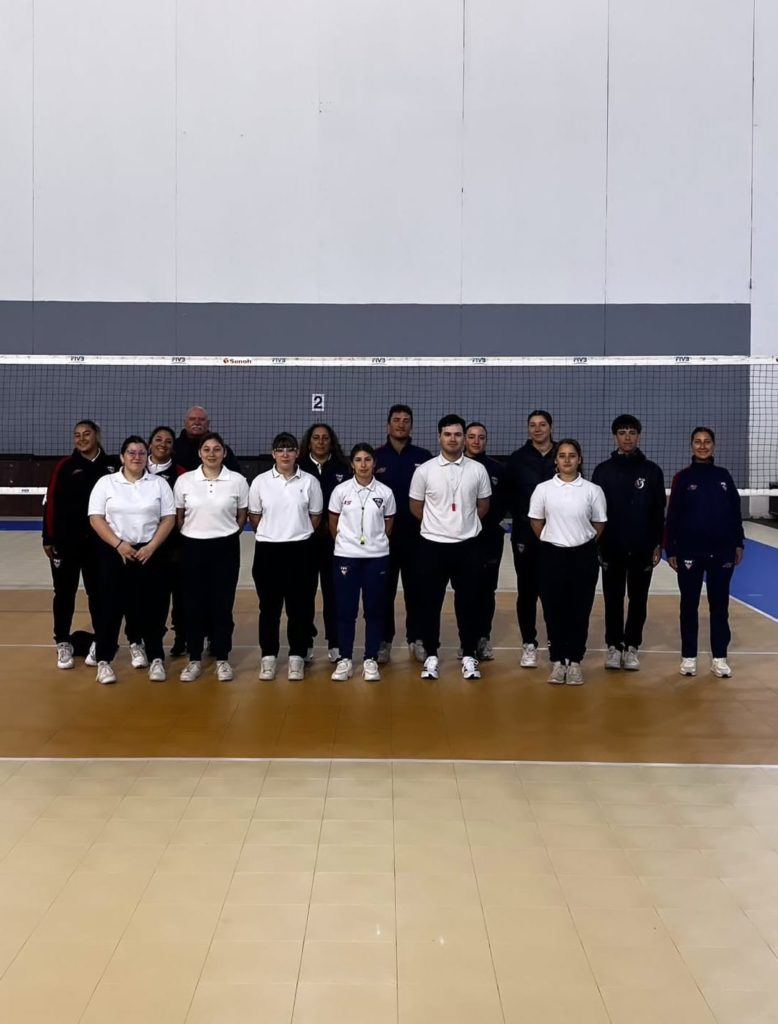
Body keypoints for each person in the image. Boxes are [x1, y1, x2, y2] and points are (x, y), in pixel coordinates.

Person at [409, 414, 491, 681]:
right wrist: (439, 526)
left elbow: (483, 506)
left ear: (464, 438)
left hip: (468, 546)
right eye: (448, 434)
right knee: (430, 603)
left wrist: (462, 525)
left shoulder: (477, 470)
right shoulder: (425, 470)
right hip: (432, 546)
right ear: (439, 437)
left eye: (457, 434)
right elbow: (416, 506)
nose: (453, 439)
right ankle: (431, 655)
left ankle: (468, 655)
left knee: (468, 603)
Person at [87, 436, 176, 684]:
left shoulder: (159, 484)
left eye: (141, 453)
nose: (136, 457)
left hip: (149, 554)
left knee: (153, 609)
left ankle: (155, 658)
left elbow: (169, 518)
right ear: (122, 457)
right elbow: (96, 518)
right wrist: (119, 545)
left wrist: (151, 547)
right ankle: (104, 662)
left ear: (147, 456)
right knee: (110, 609)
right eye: (131, 453)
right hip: (115, 553)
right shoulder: (106, 483)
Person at [664, 427, 744, 678]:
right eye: (697, 442)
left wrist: (738, 543)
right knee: (689, 605)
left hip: (722, 552)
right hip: (690, 551)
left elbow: (735, 511)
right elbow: (673, 515)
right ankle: (689, 657)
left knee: (719, 606)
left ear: (713, 446)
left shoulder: (724, 476)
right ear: (691, 446)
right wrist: (671, 548)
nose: (702, 446)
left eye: (707, 442)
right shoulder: (682, 478)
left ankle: (719, 658)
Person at [528, 439, 607, 686]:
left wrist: (581, 542)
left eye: (572, 455)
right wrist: (553, 539)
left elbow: (599, 523)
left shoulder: (593, 490)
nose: (567, 460)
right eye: (562, 455)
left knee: (580, 610)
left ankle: (574, 661)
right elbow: (536, 521)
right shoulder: (543, 489)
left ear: (579, 459)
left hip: (583, 557)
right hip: (552, 556)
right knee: (553, 609)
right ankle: (557, 661)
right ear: (556, 460)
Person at [42, 419, 118, 670]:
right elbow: (50, 502)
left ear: (97, 435)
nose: (82, 439)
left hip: (100, 545)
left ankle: (100, 641)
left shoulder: (113, 466)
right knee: (64, 593)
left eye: (86, 434)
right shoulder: (64, 466)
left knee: (99, 594)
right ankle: (63, 641)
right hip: (67, 544)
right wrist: (48, 537)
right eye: (77, 435)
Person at [592, 415, 666, 671]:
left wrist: (657, 543)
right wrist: (596, 543)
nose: (627, 437)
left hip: (642, 548)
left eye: (632, 432)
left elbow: (658, 511)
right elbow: (595, 512)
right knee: (613, 600)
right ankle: (614, 646)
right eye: (622, 432)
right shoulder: (603, 471)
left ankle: (632, 646)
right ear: (615, 436)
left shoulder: (652, 471)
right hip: (611, 547)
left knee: (638, 600)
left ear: (639, 436)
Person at [174, 433, 249, 683]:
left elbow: (241, 516)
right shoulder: (185, 481)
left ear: (224, 453)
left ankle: (222, 658)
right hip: (192, 548)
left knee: (222, 604)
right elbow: (180, 516)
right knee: (193, 604)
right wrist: (196, 533)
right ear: (199, 453)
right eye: (206, 449)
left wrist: (225, 533)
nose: (212, 453)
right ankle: (194, 658)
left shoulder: (237, 481)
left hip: (225, 548)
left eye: (217, 449)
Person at [248, 432, 323, 681]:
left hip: (301, 551)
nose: (285, 454)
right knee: (269, 608)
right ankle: (268, 657)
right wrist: (273, 534)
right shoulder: (260, 482)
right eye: (280, 450)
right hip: (268, 551)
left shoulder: (310, 482)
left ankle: (297, 657)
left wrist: (297, 533)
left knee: (299, 607)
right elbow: (255, 516)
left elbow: (315, 516)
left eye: (290, 449)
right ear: (273, 454)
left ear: (297, 453)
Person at [328, 444, 396, 681]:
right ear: (352, 464)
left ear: (374, 463)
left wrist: (374, 544)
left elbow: (388, 523)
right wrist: (347, 544)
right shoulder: (341, 491)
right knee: (346, 610)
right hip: (346, 557)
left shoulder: (385, 492)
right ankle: (345, 659)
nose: (363, 464)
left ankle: (370, 659)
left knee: (374, 610)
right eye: (358, 460)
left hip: (376, 558)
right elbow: (333, 522)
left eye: (368, 459)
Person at [374, 404, 432, 663]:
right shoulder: (376, 457)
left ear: (411, 425)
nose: (401, 424)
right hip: (382, 538)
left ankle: (417, 638)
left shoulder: (424, 457)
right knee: (383, 592)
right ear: (388, 425)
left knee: (417, 591)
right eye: (396, 420)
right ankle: (383, 640)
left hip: (417, 538)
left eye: (406, 420)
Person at [503, 411, 556, 669]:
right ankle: (529, 643)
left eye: (542, 425)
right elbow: (508, 495)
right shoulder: (517, 459)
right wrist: (524, 520)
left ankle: (556, 642)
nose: (537, 429)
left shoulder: (563, 455)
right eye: (532, 425)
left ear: (550, 427)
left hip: (558, 537)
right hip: (526, 536)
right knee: (527, 591)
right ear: (528, 429)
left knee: (555, 591)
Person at [299, 423, 351, 662]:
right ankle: (305, 643)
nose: (320, 442)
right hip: (304, 542)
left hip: (335, 543)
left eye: (325, 438)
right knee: (303, 594)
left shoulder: (343, 468)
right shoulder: (299, 467)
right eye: (316, 438)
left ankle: (336, 643)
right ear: (309, 442)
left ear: (332, 442)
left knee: (334, 594)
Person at [464, 422, 506, 660]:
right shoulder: (456, 467)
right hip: (462, 540)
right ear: (465, 440)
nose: (476, 441)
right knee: (466, 590)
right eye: (471, 436)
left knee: (487, 591)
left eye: (481, 437)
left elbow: (506, 502)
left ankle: (483, 637)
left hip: (490, 539)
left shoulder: (497, 469)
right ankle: (466, 641)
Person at [147, 426, 188, 656]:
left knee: (181, 597)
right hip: (143, 547)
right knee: (151, 599)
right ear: (150, 443)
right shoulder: (136, 468)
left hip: (174, 548)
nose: (163, 444)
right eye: (158, 439)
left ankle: (181, 637)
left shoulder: (181, 474)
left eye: (168, 441)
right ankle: (148, 640)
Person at [173, 406, 241, 472]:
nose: (197, 422)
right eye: (192, 419)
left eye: (202, 419)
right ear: (185, 423)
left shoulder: (222, 449)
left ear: (208, 423)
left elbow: (235, 475)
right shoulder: (173, 448)